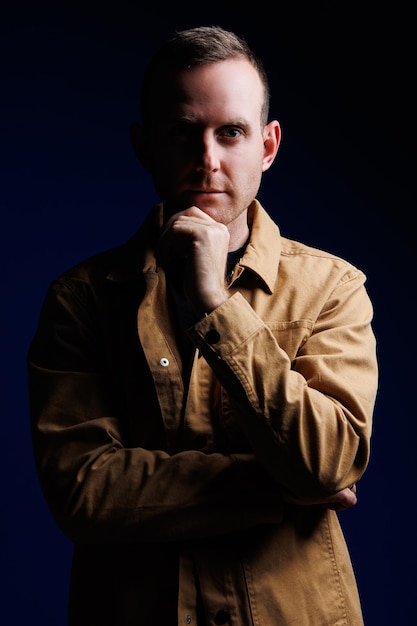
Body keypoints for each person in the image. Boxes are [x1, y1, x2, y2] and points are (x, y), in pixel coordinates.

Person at [27, 25, 378, 626]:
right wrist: (277, 488)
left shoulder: (333, 289)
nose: (207, 161)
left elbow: (329, 463)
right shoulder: (80, 301)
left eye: (231, 133)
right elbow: (84, 492)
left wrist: (217, 304)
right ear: (145, 147)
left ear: (267, 147)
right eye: (182, 133)